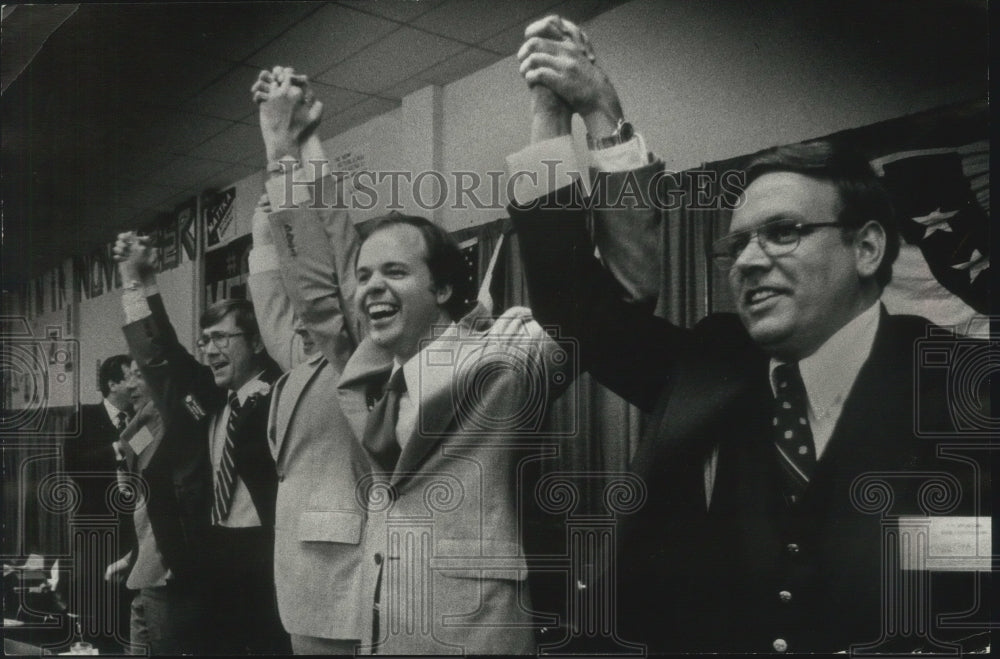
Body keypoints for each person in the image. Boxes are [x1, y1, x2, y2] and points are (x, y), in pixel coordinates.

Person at [508, 15, 990, 654]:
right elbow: (573, 303)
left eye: (783, 232)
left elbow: (974, 593)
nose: (749, 260)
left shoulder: (968, 388)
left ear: (868, 246)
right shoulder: (708, 363)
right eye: (738, 243)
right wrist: (573, 116)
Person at [258, 68, 576, 655]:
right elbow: (318, 291)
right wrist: (292, 152)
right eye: (366, 278)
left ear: (446, 290)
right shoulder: (370, 371)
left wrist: (548, 128)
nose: (371, 288)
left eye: (396, 273)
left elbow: (583, 304)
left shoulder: (503, 356)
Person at [244, 67, 377, 654]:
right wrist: (303, 145)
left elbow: (334, 265)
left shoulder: (361, 353)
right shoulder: (301, 359)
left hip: (350, 588)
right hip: (301, 586)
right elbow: (275, 285)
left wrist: (287, 154)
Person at [115, 240, 290, 655]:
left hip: (267, 563)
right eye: (204, 341)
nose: (209, 351)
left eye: (220, 339)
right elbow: (160, 353)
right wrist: (136, 282)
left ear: (257, 341)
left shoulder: (283, 393)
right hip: (209, 562)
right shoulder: (207, 399)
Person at [103, 360, 209, 655]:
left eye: (140, 375)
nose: (131, 385)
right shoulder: (145, 423)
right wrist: (132, 556)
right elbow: (140, 496)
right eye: (129, 377)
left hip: (169, 572)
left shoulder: (182, 416)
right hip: (146, 566)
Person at [62, 353, 135, 652]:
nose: (136, 384)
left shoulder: (140, 418)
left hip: (131, 527)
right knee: (97, 601)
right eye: (131, 376)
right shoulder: (85, 417)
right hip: (96, 525)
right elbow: (73, 464)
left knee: (126, 605)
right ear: (113, 383)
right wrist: (116, 448)